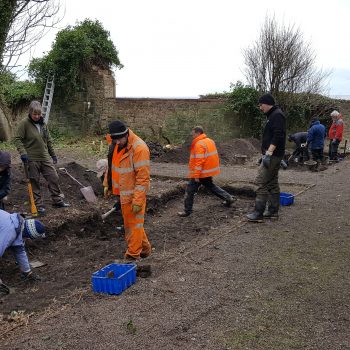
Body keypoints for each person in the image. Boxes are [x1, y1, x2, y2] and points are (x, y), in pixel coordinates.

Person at [105, 120, 151, 261]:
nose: (117, 142)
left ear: (126, 134)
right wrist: (108, 183)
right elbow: (112, 165)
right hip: (123, 194)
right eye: (115, 140)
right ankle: (145, 250)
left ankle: (132, 255)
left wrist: (138, 200)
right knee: (133, 224)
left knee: (134, 226)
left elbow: (143, 178)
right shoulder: (116, 144)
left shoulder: (139, 149)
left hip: (134, 195)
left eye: (119, 139)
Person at [13, 100, 69, 216]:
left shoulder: (43, 124)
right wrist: (23, 153)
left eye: (39, 114)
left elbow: (48, 141)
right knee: (35, 182)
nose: (37, 116)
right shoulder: (24, 123)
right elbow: (17, 139)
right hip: (31, 159)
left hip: (44, 157)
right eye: (35, 114)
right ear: (30, 112)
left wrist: (53, 154)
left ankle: (57, 201)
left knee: (54, 177)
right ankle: (38, 206)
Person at [177, 126, 235, 217]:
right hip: (207, 171)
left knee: (189, 190)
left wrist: (196, 175)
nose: (192, 134)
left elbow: (199, 161)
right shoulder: (210, 141)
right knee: (211, 186)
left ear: (198, 132)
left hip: (201, 173)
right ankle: (228, 198)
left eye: (193, 132)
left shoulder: (199, 144)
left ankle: (187, 211)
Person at [246, 93, 286, 222]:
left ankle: (258, 214)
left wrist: (269, 153)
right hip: (273, 155)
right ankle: (273, 212)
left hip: (272, 155)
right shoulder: (273, 115)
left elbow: (278, 135)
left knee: (261, 182)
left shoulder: (277, 115)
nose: (260, 107)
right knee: (272, 183)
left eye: (261, 105)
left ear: (267, 103)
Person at [0, 209, 45, 295]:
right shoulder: (10, 231)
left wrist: (27, 272)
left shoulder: (17, 224)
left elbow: (19, 251)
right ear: (28, 235)